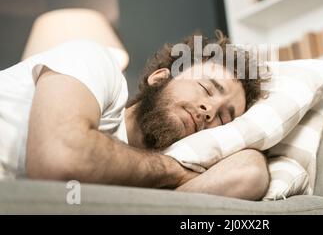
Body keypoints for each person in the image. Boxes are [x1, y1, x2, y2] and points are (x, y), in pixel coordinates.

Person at [0, 31, 269, 200]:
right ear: (159, 78)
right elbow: (60, 159)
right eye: (206, 88)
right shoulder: (95, 60)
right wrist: (174, 172)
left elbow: (250, 174)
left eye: (224, 117)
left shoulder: (144, 180)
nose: (210, 111)